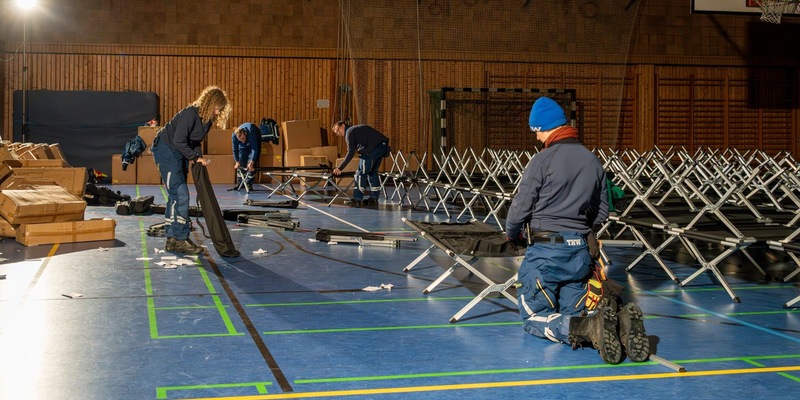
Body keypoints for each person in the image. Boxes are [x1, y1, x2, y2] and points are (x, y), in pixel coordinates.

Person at [504, 97, 649, 365]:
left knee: (534, 317)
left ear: (547, 128)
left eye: (536, 131)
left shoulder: (542, 160)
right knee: (575, 311)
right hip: (580, 253)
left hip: (546, 252)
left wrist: (512, 233)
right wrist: (583, 230)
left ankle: (590, 329)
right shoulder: (593, 160)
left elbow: (520, 206)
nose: (537, 138)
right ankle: (619, 324)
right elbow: (603, 209)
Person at [151, 86, 232, 254]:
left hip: (178, 152)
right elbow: (179, 140)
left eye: (221, 110)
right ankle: (180, 239)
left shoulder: (207, 120)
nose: (218, 112)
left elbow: (195, 142)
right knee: (180, 193)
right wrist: (195, 158)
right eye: (217, 108)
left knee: (175, 195)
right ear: (210, 103)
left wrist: (198, 158)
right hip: (166, 149)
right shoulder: (191, 114)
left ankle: (172, 238)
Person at [331, 121, 390, 207]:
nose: (338, 133)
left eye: (337, 130)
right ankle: (374, 198)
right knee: (372, 173)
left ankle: (357, 199)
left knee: (360, 174)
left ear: (343, 125)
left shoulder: (349, 132)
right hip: (382, 147)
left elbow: (350, 152)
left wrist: (340, 168)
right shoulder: (355, 130)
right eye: (336, 133)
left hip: (372, 150)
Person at [232, 122, 262, 189]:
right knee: (241, 159)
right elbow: (235, 150)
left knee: (252, 163)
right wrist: (237, 161)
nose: (243, 141)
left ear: (245, 134)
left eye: (243, 139)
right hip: (244, 142)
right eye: (240, 140)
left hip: (255, 135)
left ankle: (248, 184)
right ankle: (240, 183)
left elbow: (255, 149)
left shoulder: (251, 132)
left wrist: (252, 162)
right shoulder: (234, 136)